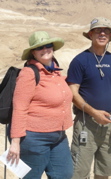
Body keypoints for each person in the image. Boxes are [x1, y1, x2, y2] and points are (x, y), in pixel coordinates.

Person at [7, 31, 73, 179]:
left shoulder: (55, 73)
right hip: (34, 137)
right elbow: (19, 108)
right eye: (39, 48)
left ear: (53, 48)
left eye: (48, 45)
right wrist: (15, 142)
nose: (45, 50)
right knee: (31, 177)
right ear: (33, 53)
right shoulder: (28, 73)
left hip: (59, 136)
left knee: (64, 174)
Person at [66, 17, 111, 179]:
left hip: (110, 123)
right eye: (98, 30)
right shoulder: (80, 60)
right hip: (86, 123)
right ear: (91, 34)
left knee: (104, 170)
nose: (102, 33)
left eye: (106, 31)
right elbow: (73, 93)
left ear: (110, 36)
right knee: (79, 171)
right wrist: (94, 113)